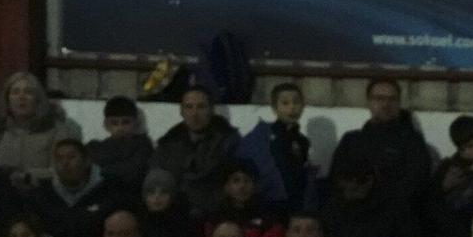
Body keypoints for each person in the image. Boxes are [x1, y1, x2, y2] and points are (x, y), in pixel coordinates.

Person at [331, 78, 435, 213]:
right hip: (353, 213)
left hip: (397, 215)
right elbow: (335, 180)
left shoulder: (412, 141)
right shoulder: (351, 140)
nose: (386, 104)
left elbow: (416, 183)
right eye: (379, 99)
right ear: (369, 102)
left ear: (399, 103)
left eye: (392, 99)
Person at [30, 138, 127, 237]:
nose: (65, 163)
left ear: (87, 161)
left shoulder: (110, 191)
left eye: (71, 157)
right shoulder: (43, 196)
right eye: (59, 159)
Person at [0, 71, 79, 187]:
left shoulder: (56, 129)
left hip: (42, 191)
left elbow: (62, 169)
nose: (21, 97)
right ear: (7, 99)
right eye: (15, 92)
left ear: (38, 99)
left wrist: (28, 176)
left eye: (28, 92)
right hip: (0, 191)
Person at [152, 87, 240, 213]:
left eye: (201, 107)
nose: (194, 114)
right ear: (181, 111)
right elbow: (156, 180)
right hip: (174, 213)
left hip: (216, 213)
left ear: (211, 110)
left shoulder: (228, 142)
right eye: (189, 107)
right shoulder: (168, 143)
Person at [236, 83, 315, 213]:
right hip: (266, 202)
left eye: (296, 102)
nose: (292, 107)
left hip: (294, 204)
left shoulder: (302, 141)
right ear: (274, 108)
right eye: (285, 103)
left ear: (303, 106)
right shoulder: (261, 134)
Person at [86, 96, 154, 196]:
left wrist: (100, 171)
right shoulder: (95, 148)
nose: (120, 127)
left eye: (126, 122)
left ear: (135, 123)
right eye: (114, 123)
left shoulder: (144, 147)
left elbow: (132, 173)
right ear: (106, 125)